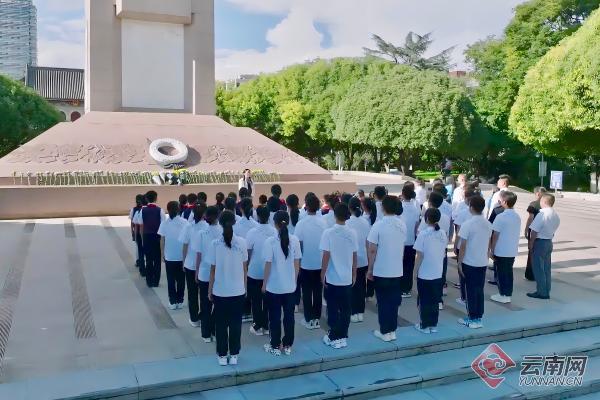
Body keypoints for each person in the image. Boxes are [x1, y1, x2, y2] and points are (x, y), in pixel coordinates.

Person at [207, 210, 248, 366]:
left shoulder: (215, 244)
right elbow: (244, 268)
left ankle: (222, 354)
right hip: (238, 291)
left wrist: (210, 290)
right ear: (234, 223)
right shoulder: (242, 243)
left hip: (220, 291)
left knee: (221, 324)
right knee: (236, 323)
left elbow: (212, 270)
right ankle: (234, 354)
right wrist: (244, 287)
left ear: (220, 222)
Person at [367, 195, 407, 342]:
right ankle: (392, 330)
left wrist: (370, 269)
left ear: (383, 207)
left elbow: (372, 249)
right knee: (394, 301)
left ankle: (385, 331)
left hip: (382, 269)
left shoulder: (378, 225)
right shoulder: (402, 224)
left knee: (383, 301)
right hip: (396, 269)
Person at [263, 211, 302, 356]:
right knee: (289, 317)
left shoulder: (270, 241)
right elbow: (297, 263)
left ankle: (275, 345)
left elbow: (268, 265)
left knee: (274, 317)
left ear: (275, 224)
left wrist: (264, 284)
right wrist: (294, 280)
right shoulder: (295, 240)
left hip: (274, 287)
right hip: (290, 286)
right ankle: (287, 345)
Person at [320, 203, 358, 349]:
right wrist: (354, 272)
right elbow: (354, 255)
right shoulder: (352, 233)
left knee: (333, 308)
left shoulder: (328, 233)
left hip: (333, 278)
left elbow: (326, 255)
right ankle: (342, 335)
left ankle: (334, 336)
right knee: (346, 309)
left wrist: (322, 273)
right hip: (347, 277)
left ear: (335, 215)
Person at [457, 196, 492, 329]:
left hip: (469, 262)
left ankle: (473, 318)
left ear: (471, 207)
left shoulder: (468, 224)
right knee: (479, 289)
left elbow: (463, 246)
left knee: (470, 290)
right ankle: (478, 315)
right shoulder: (488, 224)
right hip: (482, 261)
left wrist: (459, 262)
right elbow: (488, 242)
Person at [294, 194, 328, 330]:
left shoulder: (301, 223)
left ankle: (308, 318)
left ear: (306, 206)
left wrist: (299, 261)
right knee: (318, 291)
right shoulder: (323, 223)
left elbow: (298, 244)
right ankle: (316, 318)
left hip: (306, 263)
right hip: (319, 262)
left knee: (307, 292)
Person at [414, 208, 447, 334]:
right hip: (437, 271)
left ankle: (424, 325)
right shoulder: (442, 233)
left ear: (427, 219)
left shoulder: (423, 234)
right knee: (434, 299)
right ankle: (433, 324)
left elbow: (419, 255)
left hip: (425, 272)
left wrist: (415, 271)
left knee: (424, 299)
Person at [246, 206, 277, 336]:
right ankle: (266, 324)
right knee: (268, 300)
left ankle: (258, 324)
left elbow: (248, 253)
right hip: (270, 271)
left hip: (254, 271)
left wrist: (246, 267)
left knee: (256, 300)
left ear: (257, 216)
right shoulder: (274, 231)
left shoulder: (252, 232)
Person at [194, 206, 222, 342]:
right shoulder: (223, 231)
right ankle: (215, 330)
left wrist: (196, 271)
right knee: (218, 304)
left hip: (204, 273)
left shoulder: (202, 233)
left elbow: (198, 255)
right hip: (219, 274)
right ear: (218, 216)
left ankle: (206, 334)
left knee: (205, 304)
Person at [489, 191, 521, 304]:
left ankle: (503, 294)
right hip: (511, 249)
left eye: (501, 200)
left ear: (505, 202)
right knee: (508, 272)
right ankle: (507, 293)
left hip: (501, 250)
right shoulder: (517, 216)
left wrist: (491, 249)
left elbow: (495, 235)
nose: (499, 202)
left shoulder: (500, 217)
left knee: (501, 273)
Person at [528, 194, 561, 300]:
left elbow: (534, 231)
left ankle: (541, 292)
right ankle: (546, 290)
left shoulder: (542, 214)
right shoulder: (555, 214)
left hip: (540, 242)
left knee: (538, 269)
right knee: (546, 269)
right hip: (548, 242)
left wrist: (531, 243)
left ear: (544, 202)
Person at [180, 202, 208, 327]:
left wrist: (183, 261)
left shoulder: (188, 226)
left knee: (192, 293)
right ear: (204, 214)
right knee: (204, 294)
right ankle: (204, 316)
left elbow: (185, 246)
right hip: (204, 266)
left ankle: (194, 318)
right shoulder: (207, 227)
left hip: (190, 264)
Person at [158, 201, 188, 310]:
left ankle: (172, 301)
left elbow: (162, 240)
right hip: (181, 256)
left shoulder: (164, 223)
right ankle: (180, 300)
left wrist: (162, 253)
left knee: (170, 280)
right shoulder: (185, 222)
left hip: (169, 256)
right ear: (178, 209)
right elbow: (187, 240)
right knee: (181, 279)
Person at [133, 190, 165, 287]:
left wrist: (142, 239)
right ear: (156, 198)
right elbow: (163, 225)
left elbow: (141, 226)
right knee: (157, 260)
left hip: (146, 236)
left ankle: (149, 281)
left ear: (146, 199)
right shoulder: (160, 210)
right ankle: (156, 281)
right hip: (157, 237)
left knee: (149, 259)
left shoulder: (142, 210)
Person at [347, 197, 370, 323]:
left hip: (351, 259)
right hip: (363, 258)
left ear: (349, 208)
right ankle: (360, 312)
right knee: (361, 286)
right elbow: (367, 242)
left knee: (352, 286)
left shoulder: (348, 223)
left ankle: (353, 312)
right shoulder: (365, 222)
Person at [400, 185, 420, 298]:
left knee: (401, 265)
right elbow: (416, 225)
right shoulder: (415, 208)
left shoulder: (400, 207)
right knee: (409, 265)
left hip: (401, 242)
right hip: (411, 241)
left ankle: (401, 287)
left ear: (403, 194)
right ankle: (407, 288)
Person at [524, 187, 547, 281]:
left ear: (537, 193)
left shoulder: (533, 204)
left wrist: (526, 229)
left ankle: (531, 274)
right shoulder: (547, 204)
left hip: (533, 230)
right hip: (543, 231)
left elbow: (530, 218)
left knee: (532, 252)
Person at [361, 197, 377, 302]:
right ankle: (370, 292)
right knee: (371, 270)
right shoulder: (375, 218)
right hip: (373, 247)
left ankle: (365, 293)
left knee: (365, 272)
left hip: (366, 247)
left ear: (364, 206)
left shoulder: (364, 219)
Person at [129, 194, 145, 270]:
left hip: (139, 232)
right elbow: (132, 223)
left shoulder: (135, 210)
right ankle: (139, 261)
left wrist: (133, 232)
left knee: (138, 248)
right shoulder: (135, 210)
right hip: (140, 232)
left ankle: (139, 261)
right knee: (139, 248)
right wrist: (132, 232)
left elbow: (132, 223)